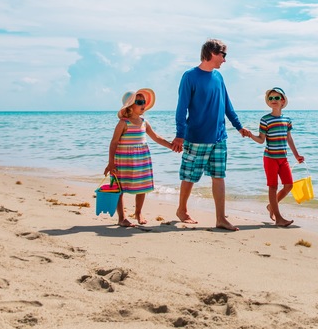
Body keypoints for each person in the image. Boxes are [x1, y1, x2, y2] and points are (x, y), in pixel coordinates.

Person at [169, 39, 251, 231]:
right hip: (196, 136)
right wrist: (180, 134)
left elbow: (227, 105)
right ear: (213, 53)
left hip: (219, 137)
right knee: (189, 176)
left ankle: (221, 218)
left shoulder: (219, 78)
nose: (225, 60)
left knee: (219, 176)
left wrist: (238, 126)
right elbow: (181, 109)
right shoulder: (189, 76)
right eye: (223, 55)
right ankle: (182, 209)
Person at [104, 88, 173, 227]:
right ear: (130, 106)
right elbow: (114, 143)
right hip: (123, 161)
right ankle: (122, 218)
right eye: (139, 102)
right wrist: (111, 163)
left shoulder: (144, 122)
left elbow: (156, 137)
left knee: (142, 186)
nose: (143, 105)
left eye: (144, 102)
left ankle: (138, 212)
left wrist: (171, 146)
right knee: (120, 188)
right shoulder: (123, 123)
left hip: (141, 160)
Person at [246, 87, 304, 227]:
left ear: (282, 100)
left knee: (289, 185)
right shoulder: (265, 119)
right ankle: (278, 218)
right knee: (272, 187)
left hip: (283, 158)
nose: (273, 100)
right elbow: (261, 140)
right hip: (270, 158)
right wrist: (250, 135)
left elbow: (288, 138)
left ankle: (271, 206)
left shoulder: (287, 120)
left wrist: (296, 155)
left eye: (276, 98)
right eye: (271, 98)